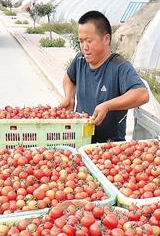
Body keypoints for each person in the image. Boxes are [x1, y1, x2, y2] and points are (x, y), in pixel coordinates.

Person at [60, 10, 149, 143]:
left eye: (89, 41)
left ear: (106, 39)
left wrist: (107, 106)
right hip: (80, 140)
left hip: (108, 148)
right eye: (81, 41)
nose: (84, 47)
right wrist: (69, 97)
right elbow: (69, 78)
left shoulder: (119, 66)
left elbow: (142, 94)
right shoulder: (80, 60)